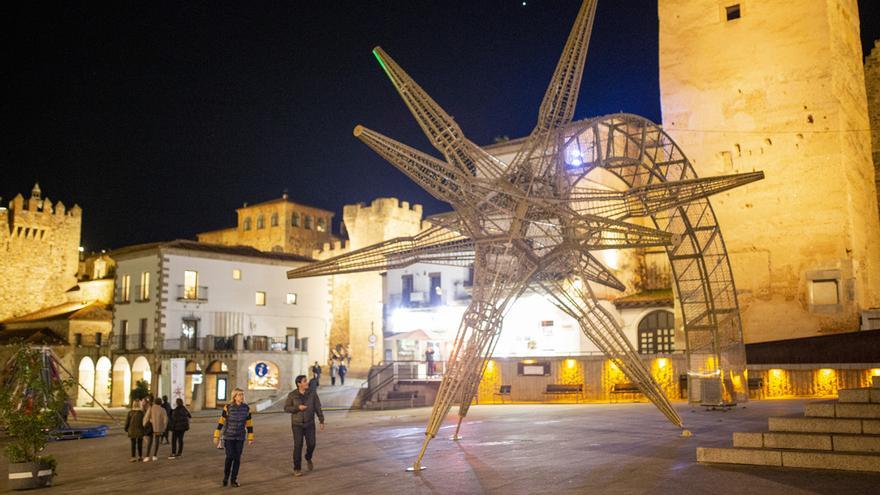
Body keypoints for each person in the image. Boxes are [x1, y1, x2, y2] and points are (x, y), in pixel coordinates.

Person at [284, 375, 325, 477]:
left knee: (312, 444)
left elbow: (317, 407)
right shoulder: (292, 394)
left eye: (306, 381)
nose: (307, 383)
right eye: (305, 381)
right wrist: (298, 408)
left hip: (310, 423)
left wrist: (321, 420)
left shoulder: (312, 393)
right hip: (297, 424)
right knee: (298, 446)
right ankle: (297, 468)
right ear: (299, 384)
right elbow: (286, 408)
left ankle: (308, 457)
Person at [214, 388, 253, 487]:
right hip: (229, 437)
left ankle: (233, 480)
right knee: (230, 457)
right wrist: (216, 435)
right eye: (239, 394)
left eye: (242, 394)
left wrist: (250, 437)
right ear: (234, 396)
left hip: (240, 437)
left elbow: (249, 423)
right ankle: (226, 477)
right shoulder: (228, 407)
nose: (241, 396)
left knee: (237, 459)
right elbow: (221, 421)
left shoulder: (246, 408)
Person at [143, 397, 168, 462]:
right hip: (158, 428)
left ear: (155, 402)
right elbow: (165, 420)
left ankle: (147, 456)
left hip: (151, 426)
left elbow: (146, 417)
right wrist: (164, 428)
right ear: (160, 403)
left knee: (149, 442)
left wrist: (144, 424)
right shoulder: (163, 410)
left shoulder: (151, 408)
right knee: (157, 441)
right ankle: (155, 456)